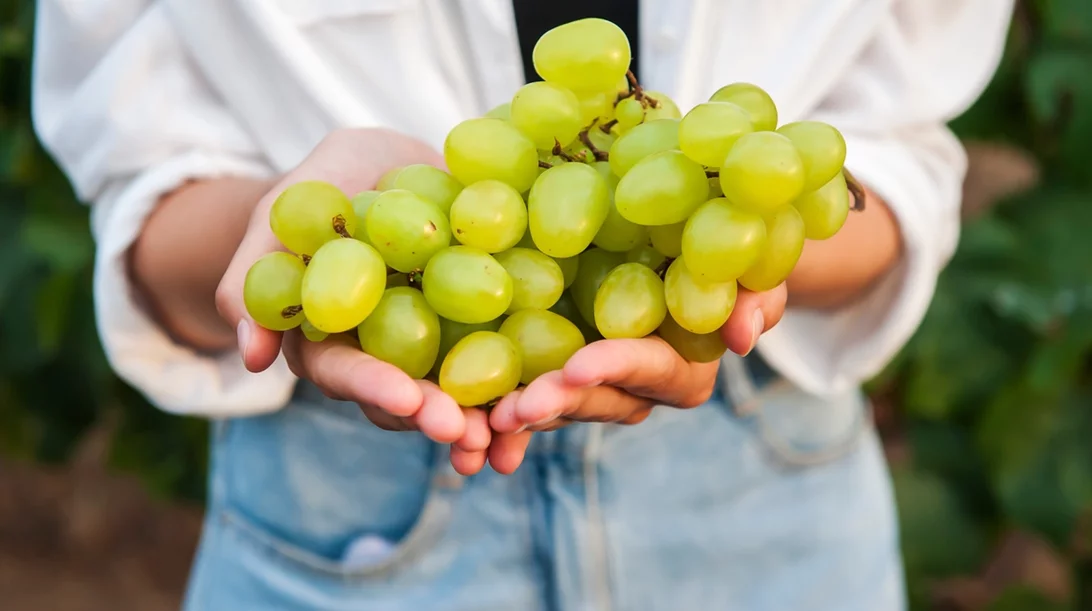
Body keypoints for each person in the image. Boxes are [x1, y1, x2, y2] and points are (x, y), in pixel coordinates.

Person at [31, 0, 1014, 609]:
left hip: (769, 505)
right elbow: (145, 197)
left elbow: (897, 155)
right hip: (338, 505)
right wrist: (289, 228)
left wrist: (757, 258)